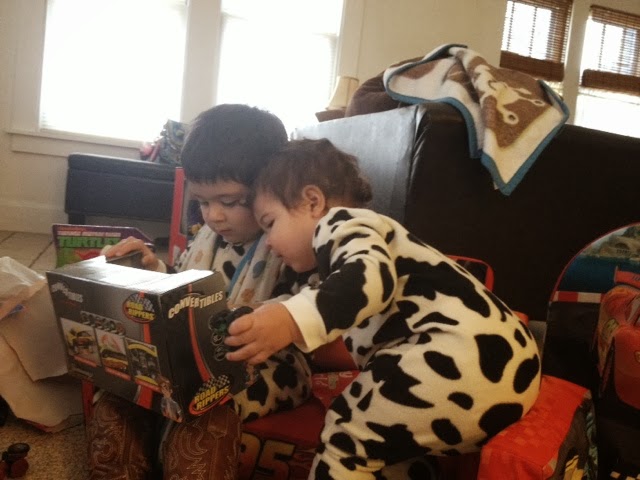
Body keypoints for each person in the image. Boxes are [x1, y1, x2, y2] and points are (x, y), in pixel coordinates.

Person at [225, 138, 542, 479]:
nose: (269, 243)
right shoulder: (338, 260)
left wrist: (290, 321)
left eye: (270, 223)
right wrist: (261, 315)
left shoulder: (342, 224)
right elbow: (320, 295)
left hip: (458, 357)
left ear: (313, 202)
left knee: (346, 435)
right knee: (382, 444)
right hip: (500, 373)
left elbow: (369, 280)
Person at [88, 104, 313, 480]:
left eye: (230, 202)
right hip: (191, 358)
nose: (213, 216)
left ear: (271, 186)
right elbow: (186, 288)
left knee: (205, 414)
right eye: (203, 202)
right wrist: (154, 272)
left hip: (265, 368)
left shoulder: (290, 242)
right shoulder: (209, 236)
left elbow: (315, 309)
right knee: (117, 397)